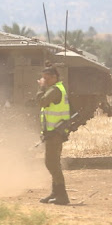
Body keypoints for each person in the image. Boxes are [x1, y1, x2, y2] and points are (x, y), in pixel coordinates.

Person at [36, 64, 71, 205]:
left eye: (47, 78)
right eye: (43, 78)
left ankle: (62, 195)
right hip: (54, 132)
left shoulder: (55, 90)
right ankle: (56, 193)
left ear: (55, 77)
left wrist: (41, 87)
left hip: (55, 132)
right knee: (53, 163)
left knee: (51, 163)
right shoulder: (57, 88)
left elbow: (42, 101)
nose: (45, 81)